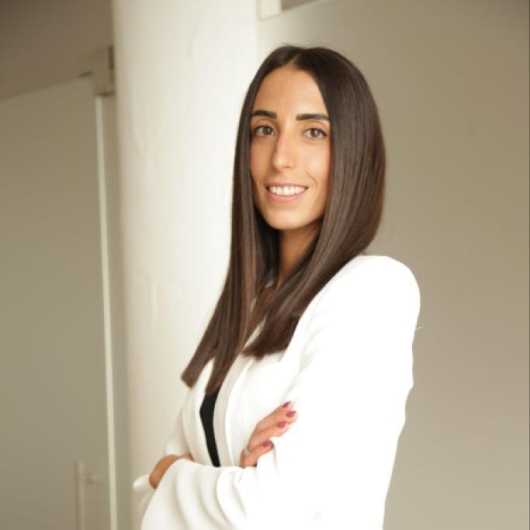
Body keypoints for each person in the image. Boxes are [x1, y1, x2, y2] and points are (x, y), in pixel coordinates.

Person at [134, 45, 420, 529]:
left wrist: (175, 476)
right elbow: (147, 502)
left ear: (354, 154)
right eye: (264, 130)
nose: (281, 158)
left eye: (314, 132)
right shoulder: (251, 303)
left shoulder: (372, 291)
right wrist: (230, 477)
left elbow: (264, 510)